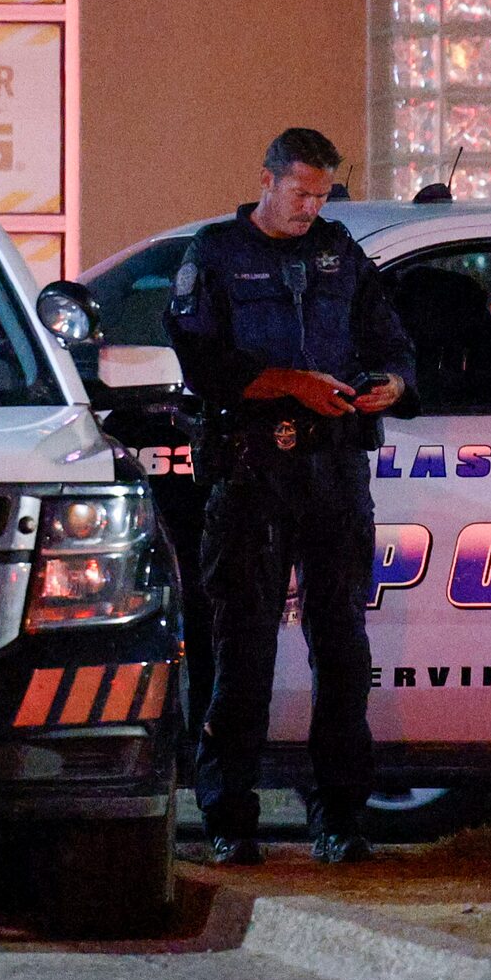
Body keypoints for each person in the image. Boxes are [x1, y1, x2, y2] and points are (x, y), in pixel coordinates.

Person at [167, 128, 416, 865]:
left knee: (340, 647)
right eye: (300, 191)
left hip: (334, 473)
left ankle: (340, 821)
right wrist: (289, 383)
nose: (310, 207)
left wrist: (391, 387)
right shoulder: (214, 254)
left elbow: (392, 344)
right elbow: (201, 357)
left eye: (321, 194)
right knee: (241, 646)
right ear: (267, 181)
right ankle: (229, 820)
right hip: (249, 472)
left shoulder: (340, 253)